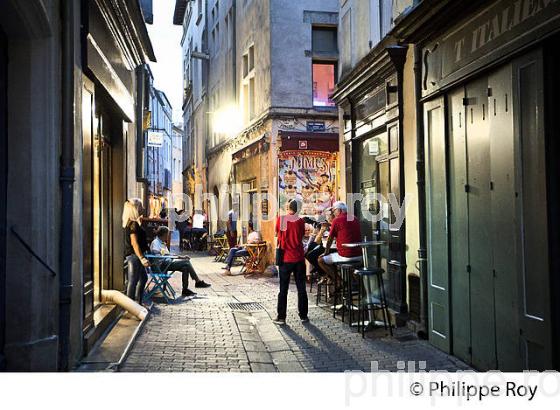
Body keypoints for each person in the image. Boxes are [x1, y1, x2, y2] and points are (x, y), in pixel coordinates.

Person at [273, 198, 309, 325]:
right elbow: (301, 235)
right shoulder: (300, 221)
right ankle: (304, 315)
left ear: (288, 207)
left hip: (286, 258)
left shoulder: (282, 219)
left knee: (283, 289)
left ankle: (281, 317)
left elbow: (278, 234)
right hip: (299, 257)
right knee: (301, 288)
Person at [150, 226, 211, 297]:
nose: (168, 236)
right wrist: (163, 253)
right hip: (161, 265)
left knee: (185, 268)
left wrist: (181, 257)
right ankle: (198, 281)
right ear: (163, 234)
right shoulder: (156, 242)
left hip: (167, 263)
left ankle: (185, 290)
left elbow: (168, 254)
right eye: (167, 234)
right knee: (186, 262)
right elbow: (156, 252)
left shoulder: (162, 243)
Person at [318, 201, 362, 295]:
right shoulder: (354, 218)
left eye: (334, 210)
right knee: (348, 266)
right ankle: (358, 287)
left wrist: (326, 252)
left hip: (346, 256)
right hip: (359, 255)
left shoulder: (337, 220)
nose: (333, 213)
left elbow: (330, 238)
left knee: (321, 260)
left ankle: (339, 281)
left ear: (339, 210)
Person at [123, 198, 150, 304]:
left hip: (135, 255)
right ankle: (131, 305)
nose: (142, 209)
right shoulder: (133, 224)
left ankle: (137, 303)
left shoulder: (133, 223)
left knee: (142, 278)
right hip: (134, 256)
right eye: (140, 207)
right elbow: (134, 243)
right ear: (135, 209)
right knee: (133, 280)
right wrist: (142, 258)